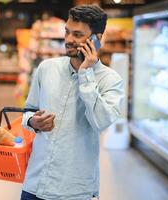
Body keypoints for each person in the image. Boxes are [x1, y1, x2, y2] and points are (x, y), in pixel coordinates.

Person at [21, 4, 124, 200]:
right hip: (36, 184)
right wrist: (33, 121)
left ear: (97, 39)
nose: (68, 40)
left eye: (77, 35)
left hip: (75, 190)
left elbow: (100, 122)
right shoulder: (46, 69)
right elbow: (27, 111)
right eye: (67, 32)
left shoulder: (111, 81)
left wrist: (85, 74)